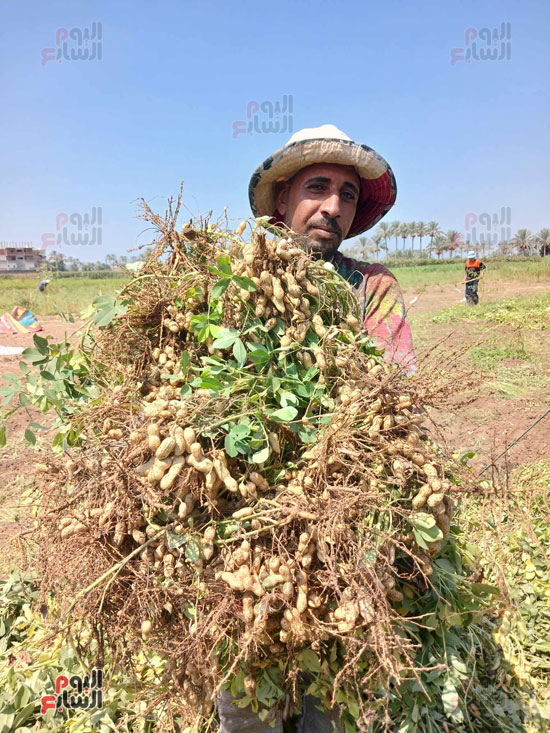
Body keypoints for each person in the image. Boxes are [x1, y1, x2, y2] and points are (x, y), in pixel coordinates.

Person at [217, 125, 416, 733]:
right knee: (246, 694)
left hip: (340, 528)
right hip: (239, 531)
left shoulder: (371, 287)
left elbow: (393, 394)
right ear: (282, 199)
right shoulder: (230, 279)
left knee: (330, 697)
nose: (332, 206)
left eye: (348, 195)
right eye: (318, 187)